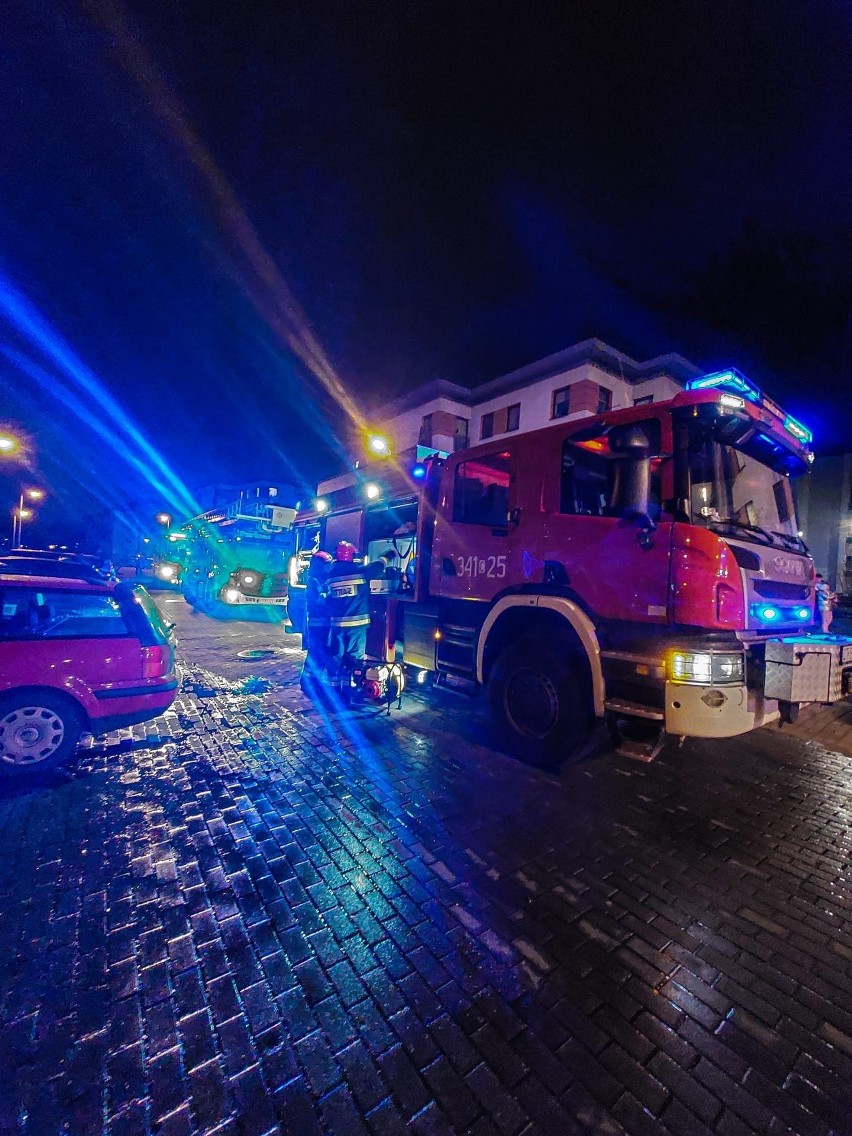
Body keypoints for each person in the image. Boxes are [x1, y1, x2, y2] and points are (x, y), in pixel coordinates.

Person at [326, 540, 390, 700]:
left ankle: (333, 693)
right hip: (356, 626)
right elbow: (377, 567)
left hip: (337, 626)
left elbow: (327, 600)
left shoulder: (330, 576)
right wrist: (387, 557)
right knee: (354, 659)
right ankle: (349, 693)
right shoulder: (359, 572)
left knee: (336, 657)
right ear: (351, 556)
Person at [300, 551, 333, 694]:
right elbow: (320, 601)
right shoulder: (313, 581)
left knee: (319, 654)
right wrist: (333, 594)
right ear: (319, 566)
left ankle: (312, 683)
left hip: (321, 624)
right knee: (316, 654)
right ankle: (308, 684)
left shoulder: (319, 579)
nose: (329, 568)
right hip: (317, 624)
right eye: (326, 565)